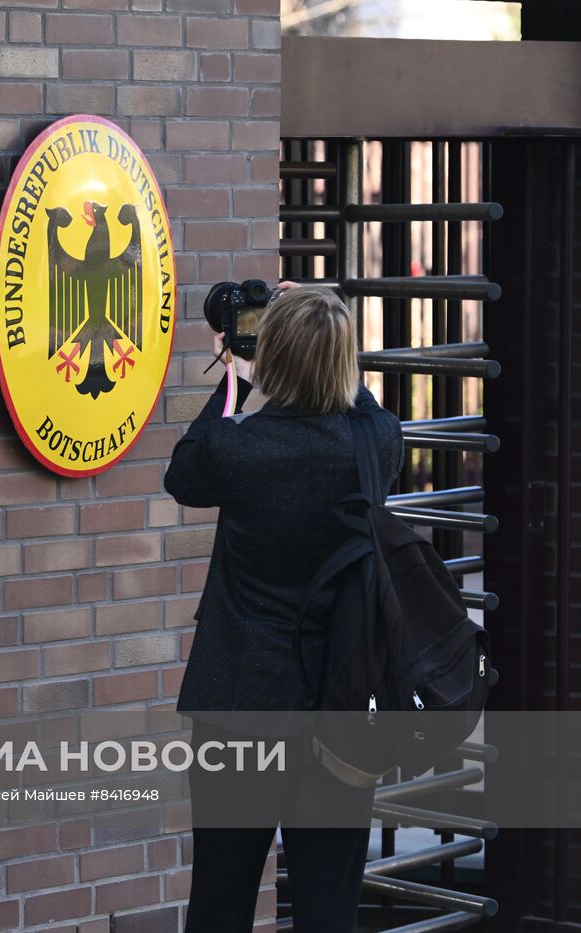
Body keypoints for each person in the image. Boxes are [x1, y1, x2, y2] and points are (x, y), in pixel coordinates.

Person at [163, 285, 404, 932]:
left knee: (219, 896)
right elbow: (364, 408)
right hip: (339, 705)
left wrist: (236, 376)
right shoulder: (375, 442)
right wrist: (321, 319)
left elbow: (182, 473)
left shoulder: (238, 448)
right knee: (329, 909)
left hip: (239, 704)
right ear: (343, 361)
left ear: (275, 356)